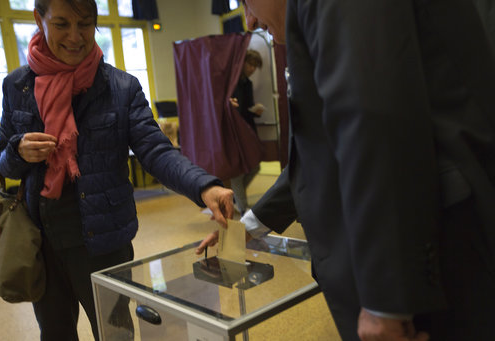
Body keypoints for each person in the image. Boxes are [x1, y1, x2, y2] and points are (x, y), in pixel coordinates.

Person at [198, 0, 495, 340]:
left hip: (437, 260)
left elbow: (373, 123)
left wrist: (386, 301)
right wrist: (247, 228)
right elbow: (319, 152)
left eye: (247, 2)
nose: (248, 21)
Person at [0, 0, 234, 340]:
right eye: (62, 24)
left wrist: (203, 187)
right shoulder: (16, 87)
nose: (76, 37)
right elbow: (2, 160)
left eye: (86, 24)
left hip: (104, 243)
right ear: (39, 18)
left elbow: (155, 151)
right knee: (54, 332)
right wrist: (18, 151)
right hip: (40, 241)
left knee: (115, 333)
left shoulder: (121, 88)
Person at [229, 49, 264, 216]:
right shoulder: (230, 82)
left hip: (247, 130)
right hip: (233, 132)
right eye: (250, 64)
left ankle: (237, 199)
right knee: (238, 171)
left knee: (254, 166)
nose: (252, 69)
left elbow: (245, 109)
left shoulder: (248, 84)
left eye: (255, 67)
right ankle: (243, 208)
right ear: (242, 62)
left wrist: (255, 112)